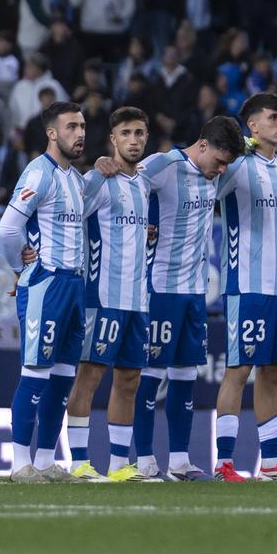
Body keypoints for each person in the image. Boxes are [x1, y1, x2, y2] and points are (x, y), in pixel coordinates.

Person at [102, 116, 244, 480]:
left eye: (227, 164)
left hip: (195, 292)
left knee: (185, 376)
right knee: (150, 375)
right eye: (220, 162)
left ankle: (180, 461)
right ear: (202, 146)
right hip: (159, 288)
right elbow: (124, 181)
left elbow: (248, 146)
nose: (223, 171)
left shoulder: (213, 171)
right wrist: (107, 164)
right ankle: (145, 459)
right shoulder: (164, 165)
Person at [212, 93, 277, 483]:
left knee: (274, 371)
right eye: (273, 118)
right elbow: (204, 193)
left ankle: (270, 464)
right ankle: (224, 463)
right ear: (252, 126)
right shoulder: (236, 166)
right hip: (246, 284)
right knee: (238, 370)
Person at [63, 107, 157, 483]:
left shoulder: (144, 183)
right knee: (89, 376)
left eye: (139, 133)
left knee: (130, 378)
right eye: (126, 134)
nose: (133, 140)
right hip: (102, 296)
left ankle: (119, 464)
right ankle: (79, 463)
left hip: (137, 299)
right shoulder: (98, 180)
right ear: (113, 140)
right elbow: (67, 216)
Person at [0, 101, 87, 482]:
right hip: (46, 284)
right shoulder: (39, 172)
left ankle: (46, 460)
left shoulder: (76, 179)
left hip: (74, 285)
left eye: (82, 126)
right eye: (71, 127)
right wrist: (20, 269)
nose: (79, 134)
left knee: (63, 377)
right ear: (52, 133)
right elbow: (7, 229)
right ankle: (20, 463)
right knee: (35, 371)